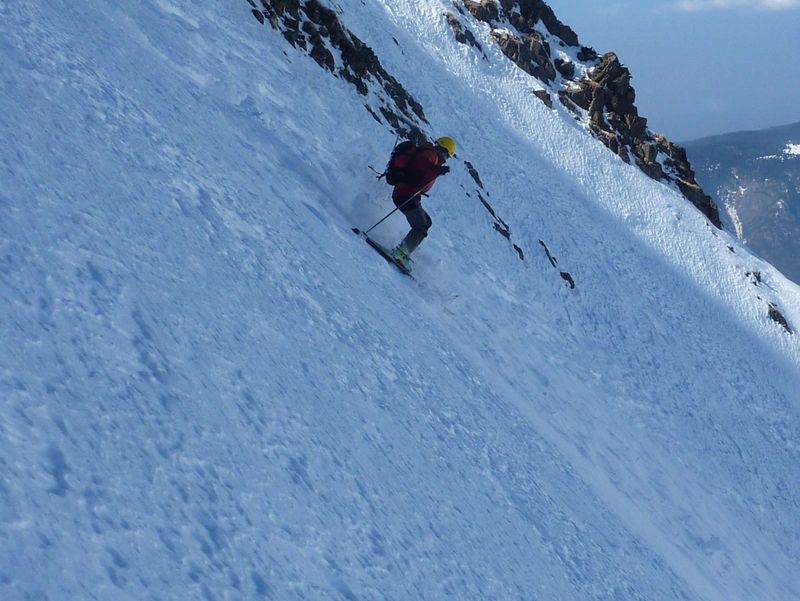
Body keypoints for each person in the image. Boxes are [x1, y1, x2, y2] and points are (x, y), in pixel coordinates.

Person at [389, 136, 456, 262]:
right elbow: (422, 165)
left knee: (427, 222)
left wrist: (437, 170)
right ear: (444, 150)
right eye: (447, 155)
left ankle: (403, 251)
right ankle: (400, 254)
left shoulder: (431, 154)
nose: (446, 159)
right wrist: (437, 170)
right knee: (421, 226)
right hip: (406, 194)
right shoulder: (431, 155)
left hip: (407, 194)